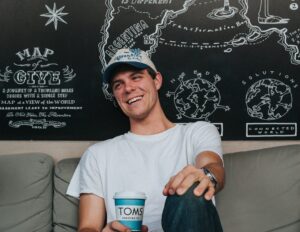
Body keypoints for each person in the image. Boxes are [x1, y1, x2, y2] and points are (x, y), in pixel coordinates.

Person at [67, 48, 225, 232]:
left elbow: (213, 165)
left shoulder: (197, 132)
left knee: (189, 188)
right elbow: (88, 226)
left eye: (136, 77)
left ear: (156, 80)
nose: (128, 88)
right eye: (118, 84)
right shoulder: (97, 154)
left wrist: (207, 176)